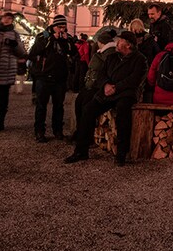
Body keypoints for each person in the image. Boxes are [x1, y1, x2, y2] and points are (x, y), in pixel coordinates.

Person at [66, 31, 147, 166]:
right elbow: (102, 74)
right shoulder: (112, 57)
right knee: (88, 110)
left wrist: (116, 87)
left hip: (124, 94)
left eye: (120, 41)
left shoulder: (140, 59)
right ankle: (81, 150)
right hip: (106, 92)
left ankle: (121, 153)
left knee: (123, 113)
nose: (116, 43)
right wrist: (105, 85)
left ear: (128, 45)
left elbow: (134, 80)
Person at [28, 15, 75, 142]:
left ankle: (58, 130)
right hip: (44, 76)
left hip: (60, 77)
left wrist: (66, 41)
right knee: (41, 105)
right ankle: (39, 131)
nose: (62, 30)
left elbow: (73, 53)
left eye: (64, 27)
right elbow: (35, 51)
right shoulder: (43, 36)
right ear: (54, 26)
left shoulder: (67, 37)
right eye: (59, 27)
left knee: (59, 106)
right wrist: (51, 39)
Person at [0, 12, 27, 132]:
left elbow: (21, 52)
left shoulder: (15, 34)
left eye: (10, 19)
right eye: (6, 18)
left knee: (2, 99)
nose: (7, 20)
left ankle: (0, 122)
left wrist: (14, 45)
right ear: (2, 19)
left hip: (6, 70)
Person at [74, 31, 117, 130]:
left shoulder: (108, 53)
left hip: (98, 86)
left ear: (101, 42)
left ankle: (83, 132)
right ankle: (80, 131)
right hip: (93, 84)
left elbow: (103, 70)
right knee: (80, 102)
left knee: (85, 106)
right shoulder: (104, 52)